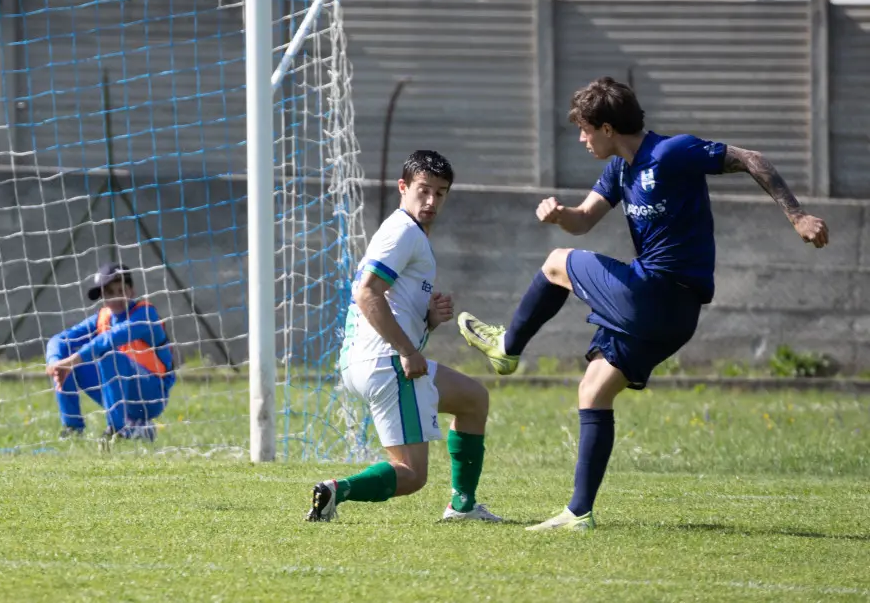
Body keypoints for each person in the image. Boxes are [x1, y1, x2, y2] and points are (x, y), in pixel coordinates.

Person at [458, 76, 829, 531]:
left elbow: (752, 158)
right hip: (674, 318)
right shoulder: (619, 170)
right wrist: (560, 215)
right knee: (594, 390)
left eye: (585, 129)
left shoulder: (671, 153)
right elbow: (584, 221)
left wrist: (798, 215)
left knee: (557, 263)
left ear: (609, 128)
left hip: (659, 293)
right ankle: (579, 514)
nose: (581, 138)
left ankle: (507, 348)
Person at [306, 150, 504, 523]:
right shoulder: (402, 233)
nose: (431, 201)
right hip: (389, 363)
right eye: (423, 190)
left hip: (374, 359)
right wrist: (408, 349)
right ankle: (336, 490)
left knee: (473, 400)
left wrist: (427, 319)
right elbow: (367, 293)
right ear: (403, 187)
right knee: (411, 475)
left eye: (440, 193)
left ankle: (463, 506)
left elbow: (388, 300)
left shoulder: (407, 232)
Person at [45, 263, 176, 441]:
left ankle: (116, 429)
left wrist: (73, 359)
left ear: (131, 291)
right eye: (109, 293)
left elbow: (110, 339)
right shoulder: (103, 317)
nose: (115, 298)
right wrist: (55, 362)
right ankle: (73, 430)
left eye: (120, 290)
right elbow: (58, 340)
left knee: (108, 356)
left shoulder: (145, 314)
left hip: (152, 395)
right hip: (120, 394)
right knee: (65, 359)